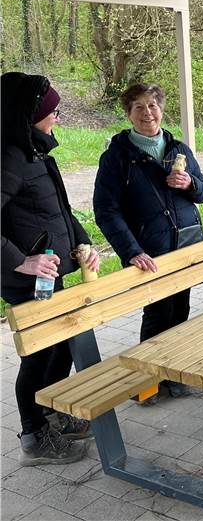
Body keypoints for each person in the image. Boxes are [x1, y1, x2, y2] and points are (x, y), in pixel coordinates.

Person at [1, 73, 100, 465]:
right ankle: (33, 438)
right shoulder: (10, 156)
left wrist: (82, 241)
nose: (58, 117)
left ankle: (52, 413)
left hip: (53, 274)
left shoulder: (35, 151)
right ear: (30, 115)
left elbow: (60, 210)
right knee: (40, 355)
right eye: (52, 111)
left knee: (61, 347)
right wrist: (21, 261)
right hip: (27, 281)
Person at [94, 83, 203, 404]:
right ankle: (146, 384)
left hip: (184, 247)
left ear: (161, 109)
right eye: (139, 107)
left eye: (153, 106)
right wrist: (131, 251)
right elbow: (106, 211)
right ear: (128, 114)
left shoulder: (179, 149)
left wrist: (189, 184)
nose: (148, 113)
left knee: (180, 310)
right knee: (157, 314)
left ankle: (172, 374)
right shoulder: (117, 158)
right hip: (150, 253)